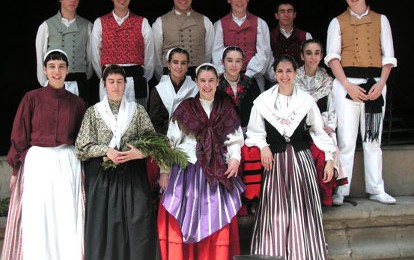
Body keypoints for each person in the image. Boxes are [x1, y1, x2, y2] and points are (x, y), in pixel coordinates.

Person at [245, 54, 335, 258]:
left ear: (296, 73)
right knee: (275, 212)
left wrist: (329, 158)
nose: (284, 75)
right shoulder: (263, 101)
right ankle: (274, 253)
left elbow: (318, 131)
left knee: (302, 211)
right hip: (274, 162)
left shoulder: (306, 100)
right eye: (280, 71)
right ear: (274, 74)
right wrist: (263, 146)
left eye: (288, 71)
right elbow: (254, 131)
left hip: (300, 161)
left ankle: (303, 253)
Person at [2, 49, 86, 260]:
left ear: (67, 70)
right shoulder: (31, 98)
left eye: (61, 67)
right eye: (52, 67)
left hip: (67, 163)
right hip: (38, 163)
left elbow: (82, 139)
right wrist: (15, 170)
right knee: (37, 217)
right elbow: (20, 136)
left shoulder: (77, 103)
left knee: (65, 217)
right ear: (44, 71)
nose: (56, 72)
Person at [157, 63, 245, 260]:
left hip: (217, 170)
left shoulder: (226, 108)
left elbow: (235, 139)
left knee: (215, 217)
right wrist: (164, 171)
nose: (207, 85)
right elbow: (170, 143)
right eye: (203, 81)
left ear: (218, 82)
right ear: (196, 82)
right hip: (187, 169)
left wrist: (235, 160)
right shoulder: (185, 108)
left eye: (211, 80)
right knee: (186, 218)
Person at [75, 64, 157, 259]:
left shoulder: (137, 111)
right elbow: (81, 148)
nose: (116, 86)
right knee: (105, 227)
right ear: (104, 84)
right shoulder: (93, 113)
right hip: (103, 179)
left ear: (126, 84)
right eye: (111, 82)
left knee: (138, 224)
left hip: (133, 177)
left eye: (120, 82)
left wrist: (140, 153)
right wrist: (106, 151)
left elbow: (153, 142)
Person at [325, 0, 397, 205]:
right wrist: (347, 85)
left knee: (373, 140)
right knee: (346, 141)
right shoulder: (337, 22)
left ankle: (376, 188)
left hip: (374, 84)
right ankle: (341, 189)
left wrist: (381, 84)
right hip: (346, 85)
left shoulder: (381, 20)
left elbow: (388, 56)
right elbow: (332, 58)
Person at [295, 39, 348, 206]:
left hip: (322, 127)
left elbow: (333, 110)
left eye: (317, 53)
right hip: (298, 127)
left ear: (322, 56)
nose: (313, 57)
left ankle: (323, 196)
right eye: (309, 53)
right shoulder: (293, 78)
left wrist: (329, 127)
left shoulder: (328, 80)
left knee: (327, 146)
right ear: (302, 56)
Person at [216, 45, 261, 215]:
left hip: (249, 131)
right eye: (229, 60)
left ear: (243, 63)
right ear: (222, 62)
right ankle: (232, 200)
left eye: (238, 61)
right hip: (224, 134)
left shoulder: (250, 83)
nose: (234, 65)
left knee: (252, 152)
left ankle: (253, 198)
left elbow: (258, 111)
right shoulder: (215, 83)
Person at [91, 0, 155, 108]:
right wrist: (106, 77)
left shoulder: (142, 22)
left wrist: (142, 78)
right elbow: (95, 56)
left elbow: (150, 57)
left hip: (136, 81)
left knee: (136, 119)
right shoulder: (100, 22)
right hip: (109, 81)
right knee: (109, 120)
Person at [35, 0, 94, 106]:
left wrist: (84, 80)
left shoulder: (88, 26)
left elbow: (91, 58)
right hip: (54, 84)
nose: (72, 1)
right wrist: (45, 83)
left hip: (79, 84)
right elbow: (41, 58)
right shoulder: (46, 26)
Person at [212, 0, 272, 92]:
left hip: (253, 78)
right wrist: (226, 76)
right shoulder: (219, 24)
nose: (239, 1)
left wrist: (248, 74)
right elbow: (217, 53)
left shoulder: (260, 23)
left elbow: (264, 53)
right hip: (227, 80)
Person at [152, 0, 214, 81]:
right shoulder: (160, 22)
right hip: (169, 78)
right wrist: (164, 78)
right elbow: (156, 57)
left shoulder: (205, 21)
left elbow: (208, 54)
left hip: (197, 78)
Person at [149, 47, 198, 135]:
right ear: (168, 64)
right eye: (175, 62)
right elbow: (155, 122)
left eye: (183, 63)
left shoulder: (195, 89)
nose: (179, 67)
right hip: (165, 140)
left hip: (191, 138)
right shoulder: (158, 90)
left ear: (187, 66)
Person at [269, 1, 312, 67]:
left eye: (289, 11)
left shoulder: (306, 36)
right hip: (273, 77)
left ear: (294, 14)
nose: (286, 15)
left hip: (300, 76)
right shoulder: (268, 37)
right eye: (282, 11)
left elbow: (310, 61)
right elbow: (266, 62)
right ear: (276, 15)